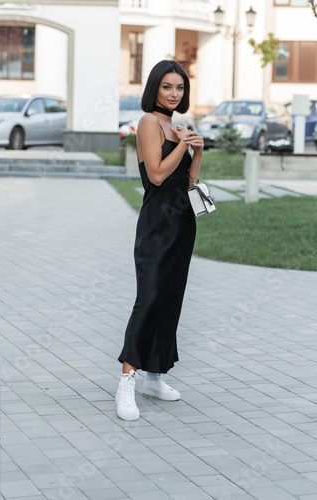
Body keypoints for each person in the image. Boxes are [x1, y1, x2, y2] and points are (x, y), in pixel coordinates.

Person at [116, 60, 204, 421]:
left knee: (170, 300)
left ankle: (155, 376)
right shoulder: (150, 123)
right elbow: (154, 175)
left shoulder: (176, 125)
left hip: (183, 224)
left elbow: (188, 184)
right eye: (167, 87)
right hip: (156, 227)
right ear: (155, 88)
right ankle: (126, 381)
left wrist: (197, 153)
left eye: (180, 88)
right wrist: (183, 146)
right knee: (149, 299)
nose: (174, 94)